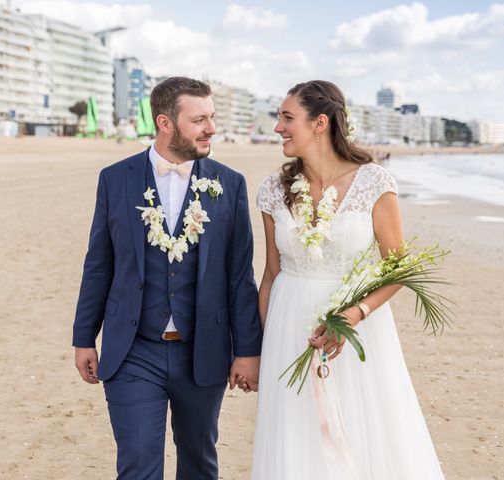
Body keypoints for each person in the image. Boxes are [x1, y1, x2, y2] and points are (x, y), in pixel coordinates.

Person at [250, 80, 445, 479]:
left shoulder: (374, 183)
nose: (278, 128)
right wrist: (266, 347)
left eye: (287, 118)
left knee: (363, 432)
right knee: (296, 438)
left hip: (357, 332)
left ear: (320, 123)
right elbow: (270, 274)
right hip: (288, 330)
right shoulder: (273, 189)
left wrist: (355, 315)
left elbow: (398, 269)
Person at [72, 76, 262, 480]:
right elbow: (99, 264)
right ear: (165, 123)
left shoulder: (229, 184)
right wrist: (83, 337)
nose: (211, 128)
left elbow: (239, 276)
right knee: (138, 465)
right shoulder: (115, 179)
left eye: (212, 117)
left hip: (204, 351)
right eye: (199, 120)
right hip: (133, 351)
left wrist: (247, 351)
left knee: (199, 463)